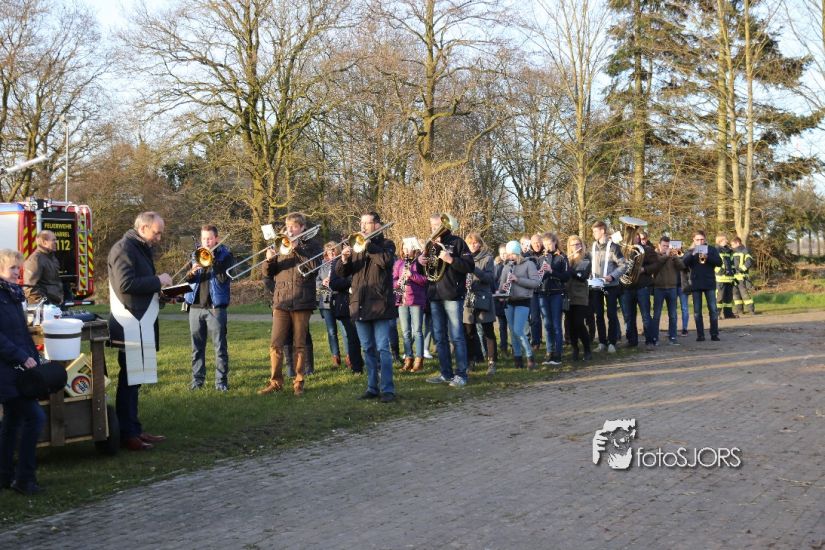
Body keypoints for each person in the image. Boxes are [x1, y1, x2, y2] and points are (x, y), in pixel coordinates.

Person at [108, 212, 173, 451]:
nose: (159, 238)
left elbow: (140, 284)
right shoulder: (123, 249)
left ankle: (135, 428)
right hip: (129, 323)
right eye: (156, 232)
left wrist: (163, 293)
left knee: (137, 380)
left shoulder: (140, 248)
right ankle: (127, 433)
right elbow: (125, 284)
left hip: (142, 321)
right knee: (129, 380)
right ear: (143, 228)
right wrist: (157, 280)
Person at [336, 211, 397, 402]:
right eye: (361, 223)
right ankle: (372, 387)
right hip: (359, 304)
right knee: (368, 349)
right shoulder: (356, 246)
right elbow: (342, 273)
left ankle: (387, 389)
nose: (362, 226)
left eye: (366, 223)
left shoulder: (387, 244)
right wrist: (344, 259)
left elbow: (386, 262)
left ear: (377, 225)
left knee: (383, 349)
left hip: (380, 304)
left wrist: (368, 245)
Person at [259, 213, 322, 396]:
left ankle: (298, 382)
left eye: (294, 226)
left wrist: (297, 249)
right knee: (275, 344)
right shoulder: (279, 244)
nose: (290, 230)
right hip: (281, 301)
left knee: (299, 344)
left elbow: (314, 268)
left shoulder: (312, 245)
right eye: (288, 226)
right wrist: (269, 259)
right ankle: (275, 382)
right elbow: (268, 273)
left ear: (302, 227)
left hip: (302, 301)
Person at [0, 249, 46, 494]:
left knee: (12, 421)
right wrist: (21, 356)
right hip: (6, 371)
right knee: (35, 418)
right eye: (12, 268)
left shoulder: (13, 294)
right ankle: (24, 479)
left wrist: (34, 358)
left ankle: (5, 476)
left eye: (18, 268)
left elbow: (21, 332)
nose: (17, 272)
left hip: (17, 370)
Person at [422, 213, 475, 388]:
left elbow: (469, 266)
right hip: (434, 295)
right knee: (439, 337)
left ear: (445, 224)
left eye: (437, 225)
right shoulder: (430, 244)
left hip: (452, 295)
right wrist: (420, 262)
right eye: (432, 226)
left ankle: (461, 374)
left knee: (457, 336)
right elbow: (426, 271)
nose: (434, 229)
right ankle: (446, 373)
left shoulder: (458, 242)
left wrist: (450, 259)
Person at [184, 224, 234, 391]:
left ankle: (221, 382)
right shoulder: (195, 255)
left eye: (210, 238)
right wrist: (192, 272)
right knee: (196, 348)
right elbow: (188, 280)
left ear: (216, 239)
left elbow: (223, 279)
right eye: (204, 238)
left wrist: (214, 261)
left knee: (220, 347)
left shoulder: (226, 255)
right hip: (195, 306)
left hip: (215, 308)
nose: (206, 242)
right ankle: (197, 382)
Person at [498, 241, 541, 369]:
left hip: (523, 300)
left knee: (518, 330)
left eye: (512, 254)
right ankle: (517, 358)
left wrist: (518, 279)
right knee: (512, 332)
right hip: (509, 301)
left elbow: (536, 283)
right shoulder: (506, 266)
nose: (510, 257)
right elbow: (500, 286)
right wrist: (503, 288)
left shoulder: (529, 264)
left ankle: (530, 355)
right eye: (508, 254)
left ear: (518, 253)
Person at [463, 233, 497, 375]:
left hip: (483, 297)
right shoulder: (463, 258)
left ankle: (492, 362)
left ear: (480, 244)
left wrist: (474, 269)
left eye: (476, 242)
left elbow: (489, 278)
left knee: (488, 331)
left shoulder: (487, 258)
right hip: (467, 298)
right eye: (470, 243)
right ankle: (471, 360)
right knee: (469, 332)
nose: (473, 245)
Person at [589, 221, 626, 353]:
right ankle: (602, 342)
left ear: (603, 231)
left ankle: (612, 342)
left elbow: (623, 265)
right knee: (599, 315)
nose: (593, 234)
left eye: (595, 231)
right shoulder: (593, 246)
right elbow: (591, 264)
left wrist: (612, 276)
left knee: (611, 314)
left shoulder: (614, 247)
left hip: (611, 286)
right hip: (596, 286)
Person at [393, 237, 427, 373]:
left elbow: (425, 280)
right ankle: (408, 358)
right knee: (405, 332)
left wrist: (411, 275)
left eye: (409, 247)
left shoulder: (420, 262)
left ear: (414, 248)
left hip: (416, 300)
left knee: (417, 331)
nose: (406, 250)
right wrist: (398, 282)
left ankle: (419, 360)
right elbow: (393, 281)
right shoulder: (398, 263)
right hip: (402, 300)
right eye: (404, 247)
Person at [682, 230, 723, 342]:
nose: (700, 241)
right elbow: (683, 264)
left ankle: (714, 334)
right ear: (694, 240)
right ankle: (700, 335)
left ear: (705, 239)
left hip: (709, 283)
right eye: (697, 240)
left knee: (713, 310)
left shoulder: (712, 249)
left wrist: (708, 257)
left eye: (702, 239)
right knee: (697, 311)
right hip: (696, 283)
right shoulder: (690, 251)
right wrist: (693, 254)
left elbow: (719, 263)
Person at [536, 233, 569, 365]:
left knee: (556, 325)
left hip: (556, 294)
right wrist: (540, 273)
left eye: (549, 243)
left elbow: (566, 277)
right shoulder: (540, 258)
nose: (547, 246)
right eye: (545, 244)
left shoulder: (562, 257)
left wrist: (551, 271)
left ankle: (558, 353)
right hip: (543, 294)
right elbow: (537, 278)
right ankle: (549, 352)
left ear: (555, 242)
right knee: (547, 325)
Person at [619, 230, 657, 348]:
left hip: (642, 287)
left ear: (638, 238)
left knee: (646, 315)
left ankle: (650, 341)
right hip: (626, 288)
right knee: (628, 316)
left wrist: (644, 269)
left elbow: (656, 265)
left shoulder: (647, 249)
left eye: (634, 235)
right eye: (629, 235)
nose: (632, 238)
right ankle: (632, 341)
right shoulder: (622, 250)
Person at [328, 255, 364, 373]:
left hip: (364, 302)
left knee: (367, 337)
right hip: (345, 304)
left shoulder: (362, 257)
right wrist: (351, 280)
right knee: (352, 337)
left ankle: (374, 365)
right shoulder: (337, 262)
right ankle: (357, 367)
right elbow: (334, 284)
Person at [650, 236, 685, 346]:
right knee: (656, 315)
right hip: (659, 288)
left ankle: (673, 337)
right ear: (659, 245)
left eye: (667, 246)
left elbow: (682, 266)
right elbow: (656, 265)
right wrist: (666, 255)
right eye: (664, 246)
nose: (666, 248)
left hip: (672, 288)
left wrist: (675, 257)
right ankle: (655, 338)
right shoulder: (655, 255)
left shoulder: (672, 256)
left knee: (673, 315)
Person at [317, 242, 346, 369]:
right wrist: (322, 284)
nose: (332, 253)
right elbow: (316, 282)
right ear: (326, 253)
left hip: (340, 299)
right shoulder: (322, 265)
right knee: (331, 332)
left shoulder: (342, 262)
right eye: (329, 252)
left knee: (345, 330)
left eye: (334, 251)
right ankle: (335, 358)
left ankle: (349, 357)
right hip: (326, 300)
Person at [565, 236, 592, 361]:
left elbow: (583, 276)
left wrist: (570, 270)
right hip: (568, 295)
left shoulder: (586, 259)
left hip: (580, 295)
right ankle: (575, 348)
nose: (575, 247)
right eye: (572, 244)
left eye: (577, 244)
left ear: (581, 245)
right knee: (570, 324)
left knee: (579, 323)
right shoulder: (566, 259)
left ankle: (587, 349)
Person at [23, 230, 64, 305]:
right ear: (44, 242)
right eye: (53, 240)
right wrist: (43, 304)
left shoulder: (52, 258)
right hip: (44, 306)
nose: (56, 242)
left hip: (55, 303)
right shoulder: (35, 259)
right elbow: (29, 287)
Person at [526, 233, 545, 352]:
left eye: (538, 242)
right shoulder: (527, 256)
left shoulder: (547, 254)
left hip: (545, 290)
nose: (537, 245)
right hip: (533, 291)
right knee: (534, 318)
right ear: (531, 244)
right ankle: (536, 342)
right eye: (534, 243)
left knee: (547, 318)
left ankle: (550, 342)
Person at [731, 236, 756, 315]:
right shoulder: (732, 252)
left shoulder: (745, 250)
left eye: (733, 244)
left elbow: (749, 261)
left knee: (744, 293)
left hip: (742, 277)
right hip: (733, 277)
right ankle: (739, 310)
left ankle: (751, 310)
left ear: (738, 243)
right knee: (735, 294)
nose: (732, 246)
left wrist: (742, 269)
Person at [715, 234, 737, 319]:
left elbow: (732, 263)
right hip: (720, 278)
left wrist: (733, 272)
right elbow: (714, 263)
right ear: (720, 241)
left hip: (729, 277)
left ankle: (728, 314)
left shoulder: (729, 251)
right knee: (719, 297)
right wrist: (721, 271)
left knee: (728, 297)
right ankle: (716, 314)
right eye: (725, 240)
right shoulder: (716, 250)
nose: (727, 241)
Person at [493, 244, 510, 356]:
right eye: (502, 253)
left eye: (505, 253)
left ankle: (516, 347)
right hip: (500, 300)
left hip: (511, 299)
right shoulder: (497, 267)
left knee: (513, 326)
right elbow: (494, 282)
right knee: (502, 325)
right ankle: (503, 347)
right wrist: (498, 293)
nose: (504, 255)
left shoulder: (513, 265)